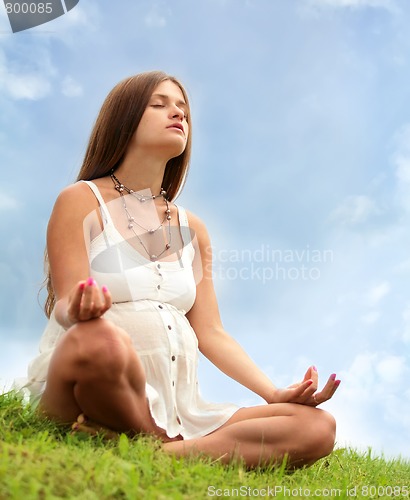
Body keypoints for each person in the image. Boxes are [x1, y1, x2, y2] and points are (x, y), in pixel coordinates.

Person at [26, 70, 340, 469]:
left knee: (317, 426)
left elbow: (210, 331)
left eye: (183, 110)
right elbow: (68, 303)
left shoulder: (193, 228)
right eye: (158, 104)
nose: (177, 114)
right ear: (123, 119)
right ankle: (153, 440)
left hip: (180, 413)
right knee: (100, 338)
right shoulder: (81, 199)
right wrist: (82, 308)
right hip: (88, 379)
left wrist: (273, 394)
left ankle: (157, 450)